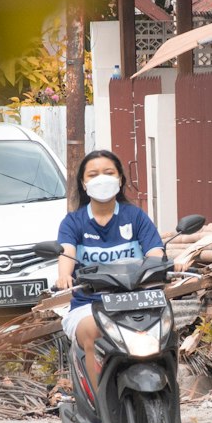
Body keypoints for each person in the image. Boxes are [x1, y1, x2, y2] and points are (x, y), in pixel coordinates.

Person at [56, 149, 164, 391]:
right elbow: (67, 252)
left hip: (138, 301)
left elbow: (155, 252)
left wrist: (165, 265)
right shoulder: (73, 222)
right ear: (83, 184)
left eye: (108, 172)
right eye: (93, 174)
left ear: (120, 179)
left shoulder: (135, 216)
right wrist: (64, 275)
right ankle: (100, 404)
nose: (101, 179)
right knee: (93, 332)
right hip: (89, 305)